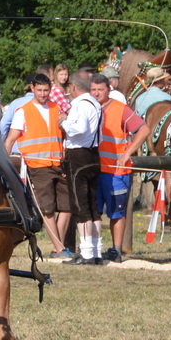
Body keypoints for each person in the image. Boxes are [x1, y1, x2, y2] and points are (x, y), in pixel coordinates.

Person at [5, 73, 69, 260]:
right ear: (32, 89)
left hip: (59, 163)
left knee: (67, 207)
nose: (42, 94)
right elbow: (11, 138)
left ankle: (60, 246)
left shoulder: (57, 108)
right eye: (39, 90)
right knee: (47, 208)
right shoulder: (23, 111)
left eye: (46, 90)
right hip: (36, 165)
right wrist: (4, 164)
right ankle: (59, 247)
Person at [95, 74, 144, 260]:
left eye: (100, 89)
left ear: (109, 90)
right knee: (94, 212)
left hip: (116, 172)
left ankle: (116, 249)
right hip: (95, 170)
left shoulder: (120, 109)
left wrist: (127, 153)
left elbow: (143, 129)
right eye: (93, 90)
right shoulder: (88, 108)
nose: (97, 93)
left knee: (116, 212)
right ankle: (93, 249)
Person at [61, 74, 105, 263]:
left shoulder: (79, 104)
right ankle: (96, 249)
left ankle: (86, 252)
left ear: (73, 87)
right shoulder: (96, 104)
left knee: (80, 205)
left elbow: (78, 129)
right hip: (94, 153)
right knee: (93, 204)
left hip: (78, 155)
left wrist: (63, 121)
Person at [0, 72, 38, 138]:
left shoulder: (16, 103)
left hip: (19, 146)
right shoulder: (50, 104)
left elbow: (3, 125)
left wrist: (3, 143)